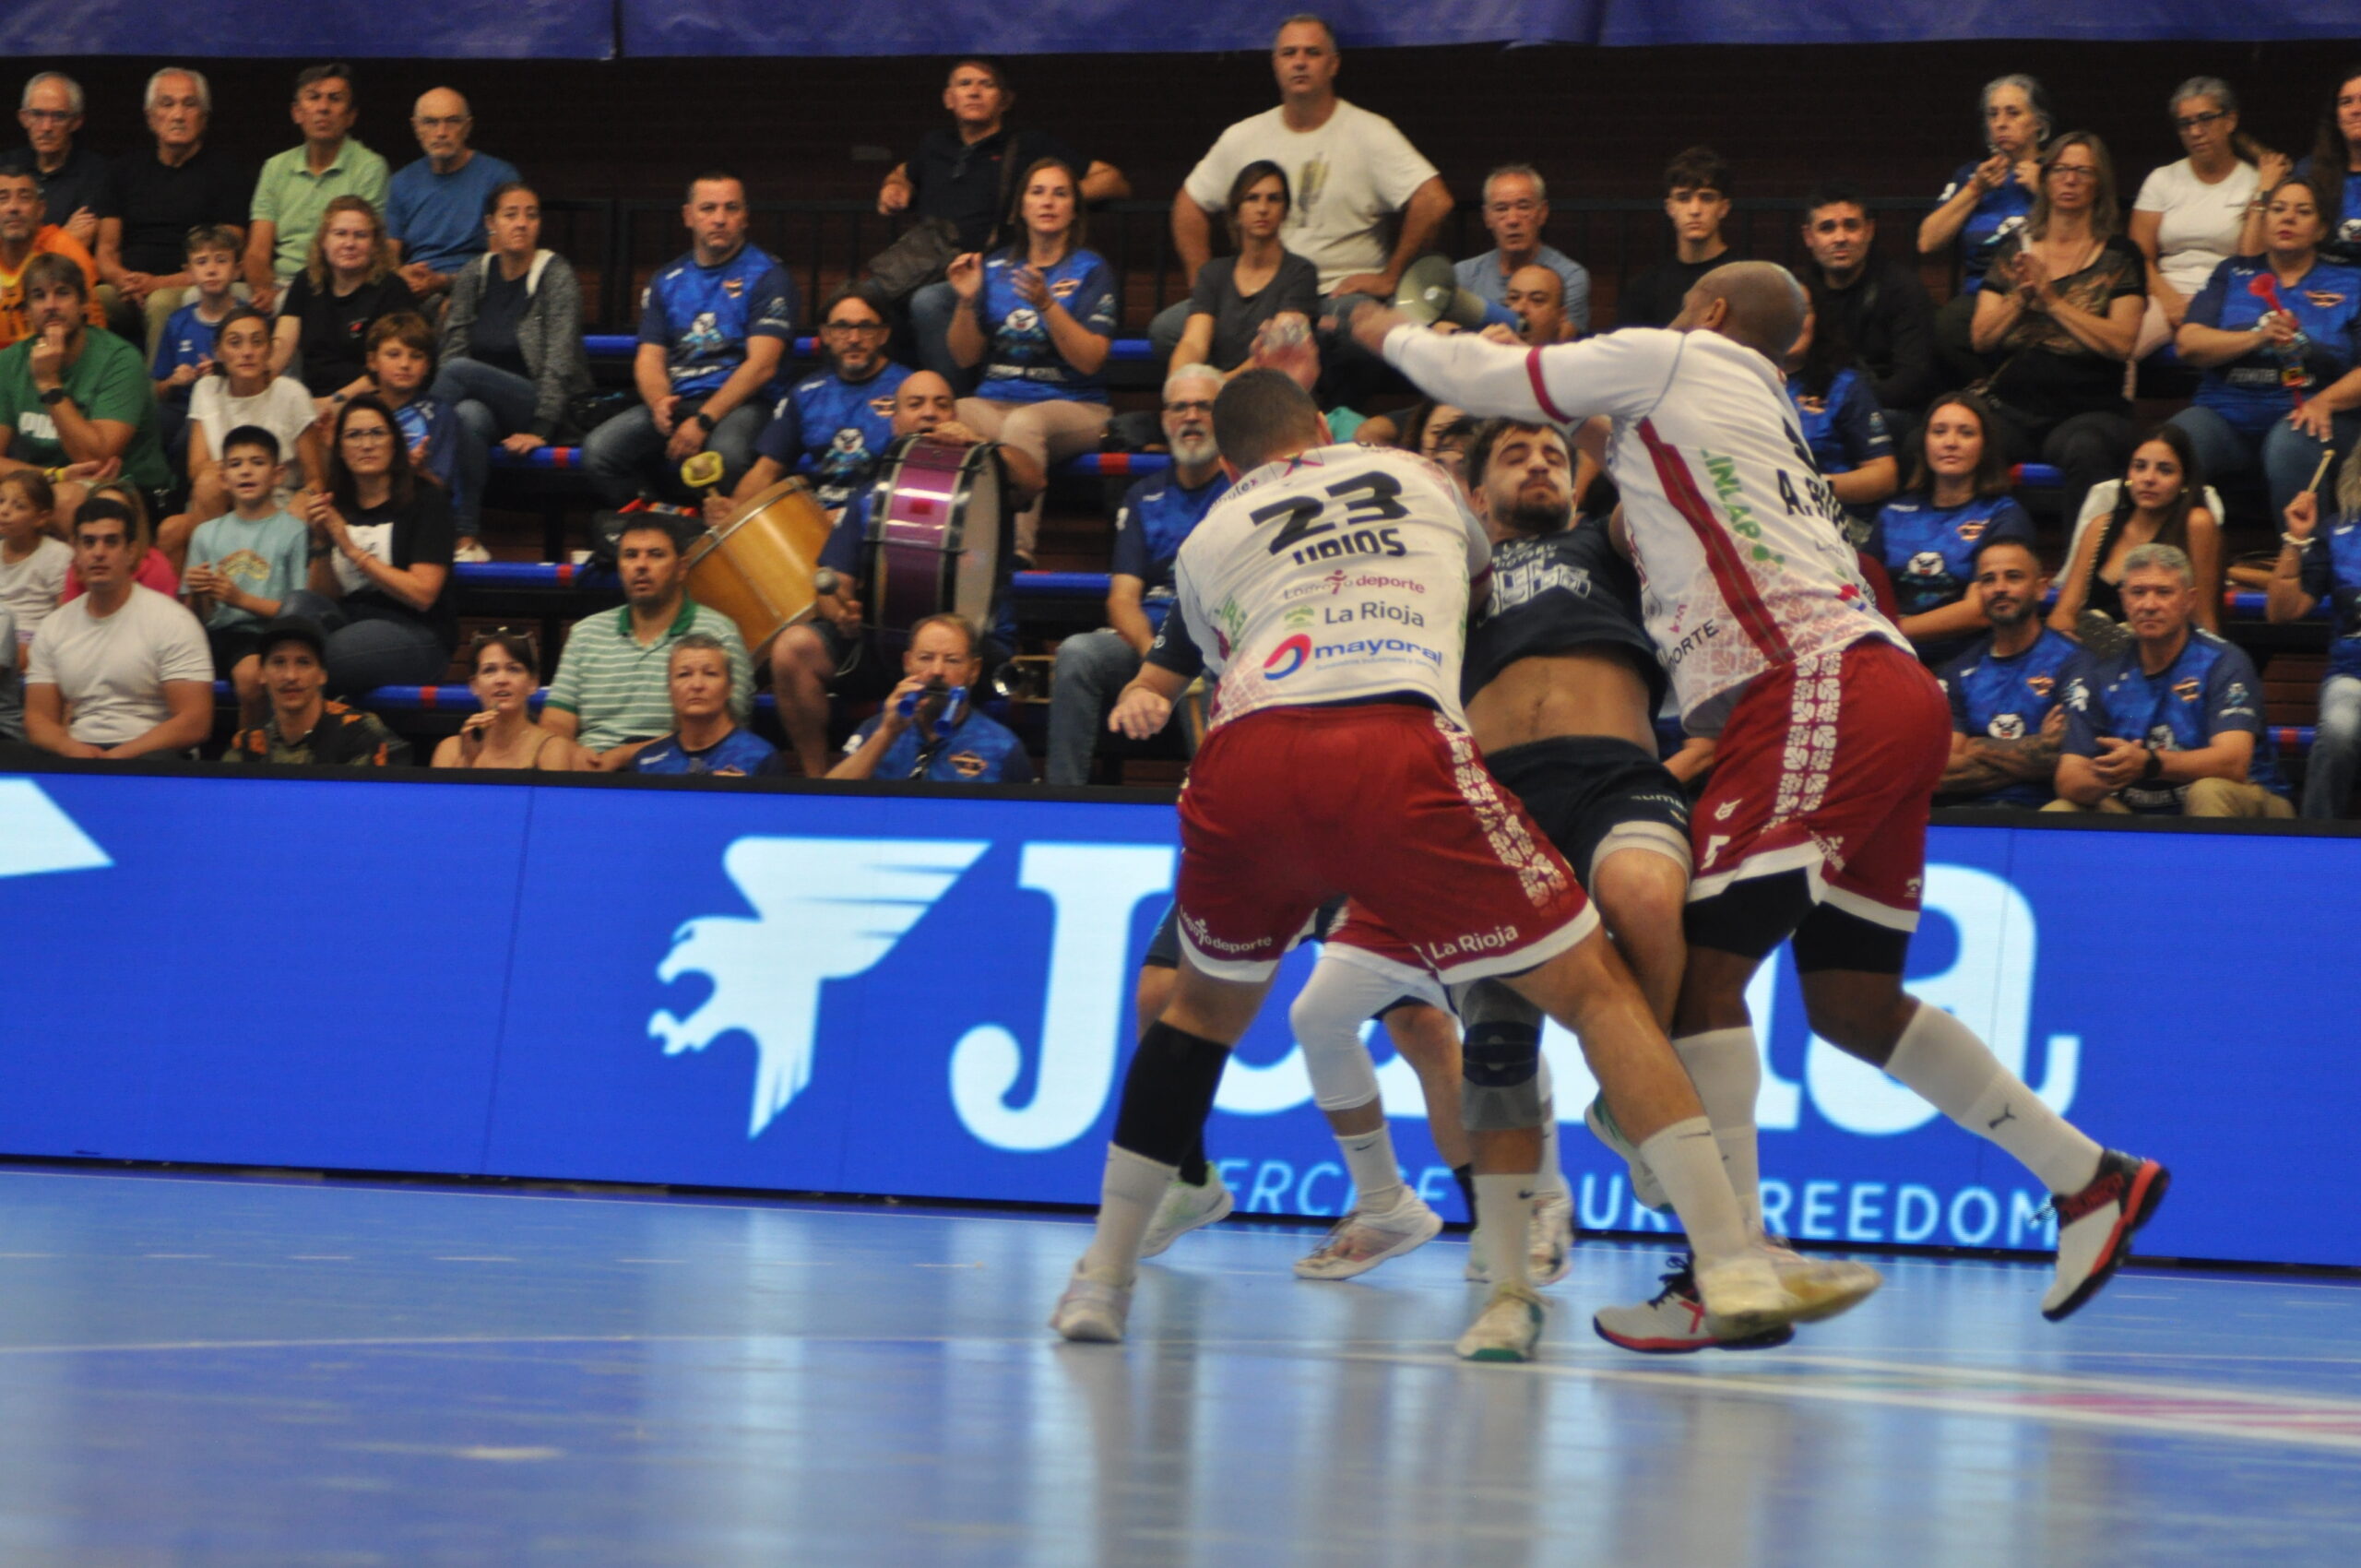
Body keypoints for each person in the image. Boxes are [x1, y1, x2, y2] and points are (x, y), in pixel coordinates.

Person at [1362, 259, 2167, 1348]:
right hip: (1877, 691)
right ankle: (2086, 1176)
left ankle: (1725, 1256)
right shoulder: (1750, 412)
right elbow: (1614, 461)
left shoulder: (1676, 356)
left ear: (1708, 313)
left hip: (1811, 683)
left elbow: (1480, 379)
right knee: (1852, 1003)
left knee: (1698, 969)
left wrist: (1376, 323)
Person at [1054, 369, 1867, 1360]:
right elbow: (1472, 592)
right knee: (1591, 993)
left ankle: (1101, 1278)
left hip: (1251, 757)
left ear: (1227, 465)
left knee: (1193, 1016)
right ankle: (1727, 1259)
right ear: (1324, 428)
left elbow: (1224, 656)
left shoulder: (1207, 532)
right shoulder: (1417, 477)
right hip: (1398, 750)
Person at [1311, 416, 1700, 1300]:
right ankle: (1507, 1263)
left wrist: (1596, 411)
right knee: (1492, 1032)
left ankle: (1634, 1106)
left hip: (1611, 778)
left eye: (1554, 456)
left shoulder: (1605, 544)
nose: (1539, 465)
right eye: (1516, 455)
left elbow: (1656, 492)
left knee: (1644, 895)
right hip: (1495, 801)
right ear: (1476, 492)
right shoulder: (1448, 575)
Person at [764, 369, 1041, 776]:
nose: (929, 413)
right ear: (895, 421)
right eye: (916, 404)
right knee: (793, 648)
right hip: (882, 645)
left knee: (969, 663)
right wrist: (840, 612)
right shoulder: (870, 493)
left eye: (941, 404)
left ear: (955, 415)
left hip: (969, 651)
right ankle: (817, 781)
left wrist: (981, 442)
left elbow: (1034, 479)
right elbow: (831, 585)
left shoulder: (990, 478)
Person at [1159, 16, 1449, 358]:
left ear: (1333, 64)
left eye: (1312, 52)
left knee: (1356, 327)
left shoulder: (1370, 132)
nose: (1299, 62)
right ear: (1275, 64)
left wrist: (1391, 277)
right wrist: (1204, 285)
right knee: (1166, 330)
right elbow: (1188, 205)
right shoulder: (1243, 136)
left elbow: (1433, 201)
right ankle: (1233, 389)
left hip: (1332, 296)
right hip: (1256, 295)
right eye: (1289, 53)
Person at [882, 58, 1125, 388]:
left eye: (986, 84)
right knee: (863, 301)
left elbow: (1112, 179)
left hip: (991, 272)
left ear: (1005, 100)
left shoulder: (1028, 145)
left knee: (929, 301)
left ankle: (949, 397)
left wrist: (1060, 197)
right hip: (925, 265)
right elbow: (903, 171)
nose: (974, 92)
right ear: (948, 98)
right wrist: (895, 185)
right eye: (965, 84)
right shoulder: (935, 144)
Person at [1045, 365, 1225, 785]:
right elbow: (1122, 598)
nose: (1191, 417)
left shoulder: (1244, 490)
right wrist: (1154, 655)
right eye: (1179, 407)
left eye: (1203, 406)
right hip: (1149, 642)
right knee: (1078, 653)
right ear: (1165, 420)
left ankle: (1216, 800)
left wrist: (1176, 659)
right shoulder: (1143, 495)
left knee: (1207, 667)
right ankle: (1061, 799)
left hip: (1213, 640)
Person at [585, 172, 794, 509]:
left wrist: (703, 421)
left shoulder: (769, 275)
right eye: (708, 208)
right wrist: (659, 403)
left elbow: (762, 366)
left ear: (745, 217)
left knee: (726, 456)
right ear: (688, 216)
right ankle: (664, 524)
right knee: (600, 451)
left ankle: (718, 535)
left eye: (731, 208)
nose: (720, 218)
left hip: (746, 404)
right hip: (680, 400)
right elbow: (649, 357)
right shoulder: (666, 279)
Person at [1970, 132, 2142, 524]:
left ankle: (2081, 558)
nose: (2070, 179)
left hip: (2089, 409)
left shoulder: (2120, 255)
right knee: (1955, 435)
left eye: (2083, 171)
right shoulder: (2015, 251)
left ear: (2099, 183)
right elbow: (1981, 338)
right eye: (2060, 169)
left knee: (2085, 448)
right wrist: (2020, 298)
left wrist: (2052, 302)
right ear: (2046, 178)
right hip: (2013, 405)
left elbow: (2122, 342)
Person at [947, 157, 1113, 559]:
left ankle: (1014, 553)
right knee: (940, 413)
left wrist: (1047, 305)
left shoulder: (1091, 269)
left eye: (1060, 193)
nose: (1048, 202)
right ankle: (942, 545)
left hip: (1075, 405)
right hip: (995, 403)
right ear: (1021, 207)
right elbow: (965, 356)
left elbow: (1091, 360)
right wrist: (967, 301)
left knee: (1024, 424)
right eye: (1037, 192)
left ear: (1074, 209)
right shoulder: (994, 267)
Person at [2049, 543, 2290, 817]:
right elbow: (2068, 777)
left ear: (2189, 600)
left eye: (2163, 592)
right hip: (2135, 808)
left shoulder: (2223, 661)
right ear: (2124, 599)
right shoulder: (2101, 671)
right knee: (2062, 810)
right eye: (2138, 593)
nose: (2149, 605)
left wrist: (2149, 763)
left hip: (2251, 803)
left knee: (2207, 792)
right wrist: (2115, 771)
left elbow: (2233, 763)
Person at [2171, 178, 2361, 519]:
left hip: (2312, 413)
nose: (2287, 218)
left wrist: (2325, 401)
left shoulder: (2352, 281)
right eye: (2278, 209)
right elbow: (2189, 342)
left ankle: (2301, 552)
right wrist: (2258, 337)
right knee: (2172, 445)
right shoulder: (2233, 273)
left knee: (2290, 444)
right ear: (2264, 220)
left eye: (2303, 211)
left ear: (2321, 229)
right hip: (2223, 414)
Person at [542, 516, 752, 771]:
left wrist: (624, 756)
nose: (641, 565)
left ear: (681, 568)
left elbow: (724, 730)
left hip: (679, 774)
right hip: (592, 770)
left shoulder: (720, 633)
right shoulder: (585, 633)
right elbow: (555, 722)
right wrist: (572, 754)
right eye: (630, 555)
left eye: (656, 555)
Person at [433, 181, 592, 513]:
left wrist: (541, 429)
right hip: (489, 407)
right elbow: (454, 344)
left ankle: (411, 449)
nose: (522, 223)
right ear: (491, 223)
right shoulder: (474, 274)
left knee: (458, 371)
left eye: (531, 215)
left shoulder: (555, 274)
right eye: (511, 215)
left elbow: (560, 360)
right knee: (468, 416)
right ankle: (466, 531)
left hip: (543, 407)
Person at [22, 495, 210, 759]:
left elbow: (194, 721)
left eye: (111, 541)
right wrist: (71, 749)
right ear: (75, 550)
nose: (99, 552)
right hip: (80, 751)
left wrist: (118, 758)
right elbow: (37, 719)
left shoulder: (173, 621)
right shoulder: (54, 626)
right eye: (89, 542)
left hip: (151, 754)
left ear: (131, 552)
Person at [297, 394, 457, 694]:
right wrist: (321, 542)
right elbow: (325, 596)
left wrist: (351, 549)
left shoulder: (426, 501)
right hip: (348, 621)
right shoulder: (335, 503)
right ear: (340, 449)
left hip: (417, 632)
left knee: (322, 658)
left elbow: (423, 594)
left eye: (377, 433)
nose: (366, 444)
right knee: (297, 611)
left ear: (394, 443)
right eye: (354, 435)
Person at [1866, 391, 2036, 666]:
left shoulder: (2003, 515)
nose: (1951, 443)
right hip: (1891, 657)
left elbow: (1980, 610)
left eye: (1966, 433)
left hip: (1968, 662)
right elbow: (1861, 589)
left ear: (1985, 447)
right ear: (1924, 443)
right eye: (1939, 432)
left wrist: (1887, 630)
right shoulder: (1893, 513)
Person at [718, 281, 909, 517]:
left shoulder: (910, 389)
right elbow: (766, 471)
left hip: (882, 521)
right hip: (816, 523)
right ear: (826, 335)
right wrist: (731, 514)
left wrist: (850, 517)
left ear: (883, 335)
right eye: (842, 327)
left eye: (866, 327)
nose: (854, 338)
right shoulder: (806, 393)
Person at [95, 68, 250, 356]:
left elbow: (226, 258)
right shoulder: (122, 170)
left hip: (192, 287)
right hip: (129, 288)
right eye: (167, 104)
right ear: (150, 116)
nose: (178, 115)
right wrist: (123, 279)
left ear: (204, 117)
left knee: (161, 303)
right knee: (89, 300)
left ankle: (159, 385)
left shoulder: (228, 173)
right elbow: (105, 250)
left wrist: (157, 284)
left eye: (189, 105)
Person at [0, 254, 172, 508]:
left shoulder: (120, 360)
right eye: (39, 296)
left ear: (84, 304)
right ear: (26, 313)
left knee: (68, 499)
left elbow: (93, 458)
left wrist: (49, 383)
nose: (50, 306)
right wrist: (54, 476)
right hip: (46, 487)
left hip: (130, 491)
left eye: (62, 293)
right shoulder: (9, 362)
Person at [161, 304, 321, 569]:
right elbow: (196, 468)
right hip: (223, 499)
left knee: (209, 485)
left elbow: (316, 477)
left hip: (276, 501)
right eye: (235, 343)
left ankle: (221, 579)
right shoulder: (207, 388)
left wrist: (305, 496)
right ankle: (207, 586)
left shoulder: (291, 393)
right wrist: (238, 477)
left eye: (257, 342)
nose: (247, 352)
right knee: (171, 530)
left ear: (269, 349)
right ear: (218, 351)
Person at [2130, 78, 2273, 365]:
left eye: (2206, 119)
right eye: (2185, 124)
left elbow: (2252, 260)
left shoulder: (2254, 182)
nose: (2195, 131)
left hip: (2228, 293)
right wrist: (2169, 299)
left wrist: (2263, 192)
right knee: (2122, 348)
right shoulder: (2162, 179)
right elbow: (2138, 257)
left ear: (2230, 120)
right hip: (2166, 292)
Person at [1920, 72, 2051, 385]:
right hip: (1979, 294)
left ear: (2038, 123)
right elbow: (1927, 241)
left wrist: (2044, 190)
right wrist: (1975, 190)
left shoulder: (2058, 172)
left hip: (2043, 288)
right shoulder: (1972, 175)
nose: (2001, 123)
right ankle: (1989, 392)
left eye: (2013, 113)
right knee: (1942, 328)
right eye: (1993, 115)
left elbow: (2093, 230)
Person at [1936, 536, 2080, 808]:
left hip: (2045, 813)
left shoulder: (2074, 661)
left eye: (2013, 577)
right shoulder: (1957, 671)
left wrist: (1973, 746)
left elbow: (2060, 757)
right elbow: (1939, 772)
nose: (2000, 588)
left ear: (2041, 589)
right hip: (1966, 815)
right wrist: (2033, 749)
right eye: (1988, 580)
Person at [181, 424, 311, 714]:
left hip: (266, 634)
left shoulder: (294, 531)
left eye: (257, 462)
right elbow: (200, 616)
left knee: (250, 676)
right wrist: (201, 594)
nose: (246, 472)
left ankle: (250, 743)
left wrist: (241, 599)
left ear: (277, 475)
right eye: (236, 464)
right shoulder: (205, 533)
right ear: (223, 478)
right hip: (213, 635)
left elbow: (299, 612)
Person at [2048, 424, 2221, 639]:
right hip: (2095, 652)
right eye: (2140, 467)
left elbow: (2203, 620)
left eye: (2165, 470)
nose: (2148, 478)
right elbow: (2064, 612)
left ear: (2184, 480)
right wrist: (2065, 637)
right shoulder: (2100, 526)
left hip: (2166, 652)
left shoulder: (2196, 523)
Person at [244, 65, 388, 315]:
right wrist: (263, 291)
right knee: (198, 297)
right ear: (297, 112)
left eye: (335, 98)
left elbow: (366, 251)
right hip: (275, 285)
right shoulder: (275, 167)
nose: (323, 107)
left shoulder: (370, 168)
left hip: (337, 286)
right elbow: (257, 252)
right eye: (313, 97)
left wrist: (291, 296)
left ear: (351, 116)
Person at [827, 612, 1029, 782]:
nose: (937, 670)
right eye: (926, 658)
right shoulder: (873, 731)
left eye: (952, 660)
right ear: (907, 663)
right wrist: (887, 734)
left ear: (974, 671)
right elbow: (829, 802)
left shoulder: (1002, 747)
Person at [1798, 181, 1938, 424]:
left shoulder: (1903, 289)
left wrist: (1838, 407)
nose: (1840, 238)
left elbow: (1912, 381)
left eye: (1851, 226)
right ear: (1809, 237)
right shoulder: (1800, 292)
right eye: (1827, 228)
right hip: (1819, 408)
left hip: (1889, 411)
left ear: (1869, 230)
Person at [1169, 161, 1321, 380]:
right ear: (1236, 211)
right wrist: (1181, 381)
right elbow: (1193, 343)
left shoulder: (1301, 272)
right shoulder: (1213, 274)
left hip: (1274, 391)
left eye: (1273, 199)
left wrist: (1217, 385)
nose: (1263, 208)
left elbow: (1276, 352)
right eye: (1252, 198)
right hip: (1217, 389)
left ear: (1285, 211)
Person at [270, 195, 419, 414]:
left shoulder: (393, 289)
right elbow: (281, 347)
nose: (349, 244)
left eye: (360, 235)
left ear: (375, 245)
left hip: (371, 403)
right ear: (323, 241)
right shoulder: (306, 282)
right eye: (340, 234)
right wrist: (258, 385)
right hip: (312, 400)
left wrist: (334, 402)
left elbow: (392, 367)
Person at [2269, 473, 2361, 815]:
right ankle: (2317, 832)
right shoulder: (2337, 531)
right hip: (2353, 676)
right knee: (2338, 728)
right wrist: (2295, 539)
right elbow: (2281, 611)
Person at [385, 89, 519, 302]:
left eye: (452, 121)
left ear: (468, 127)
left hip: (480, 290)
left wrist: (445, 282)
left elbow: (502, 261)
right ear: (416, 127)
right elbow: (388, 254)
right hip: (416, 290)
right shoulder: (401, 182)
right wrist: (401, 274)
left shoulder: (498, 177)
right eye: (430, 122)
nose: (441, 132)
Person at [222, 616, 409, 766]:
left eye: (303, 663)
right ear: (262, 674)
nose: (290, 676)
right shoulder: (247, 743)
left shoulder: (358, 733)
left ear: (322, 675)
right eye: (279, 662)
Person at [359, 313, 466, 549]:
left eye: (416, 356)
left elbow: (442, 487)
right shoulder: (359, 412)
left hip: (420, 518)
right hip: (366, 515)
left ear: (427, 366)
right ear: (372, 361)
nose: (405, 364)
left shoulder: (440, 414)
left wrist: (418, 471)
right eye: (393, 354)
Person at [1784, 306, 1897, 520]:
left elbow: (1884, 477)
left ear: (1817, 320)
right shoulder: (1741, 385)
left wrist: (1811, 486)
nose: (1791, 319)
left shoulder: (1845, 386)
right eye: (1780, 310)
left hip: (1834, 520)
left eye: (1803, 310)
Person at [2249, 65, 2361, 268]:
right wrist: (2265, 191)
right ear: (2336, 116)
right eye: (2346, 102)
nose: (2356, 110)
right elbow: (2251, 258)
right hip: (2320, 282)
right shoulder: (2309, 171)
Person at [1455, 164, 1590, 332]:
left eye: (1524, 207)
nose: (1513, 220)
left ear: (1542, 213)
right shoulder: (1464, 274)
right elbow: (1438, 326)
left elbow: (1562, 341)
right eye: (1501, 209)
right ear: (1487, 217)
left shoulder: (1569, 276)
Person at [148, 226, 242, 464]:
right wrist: (173, 381)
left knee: (189, 437)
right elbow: (157, 388)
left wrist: (225, 371)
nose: (212, 269)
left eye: (221, 260)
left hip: (234, 406)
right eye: (201, 262)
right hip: (184, 406)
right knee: (147, 421)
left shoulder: (248, 319)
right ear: (189, 272)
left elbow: (267, 377)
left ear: (237, 270)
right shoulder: (177, 322)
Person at [1618, 148, 1734, 330]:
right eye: (1684, 198)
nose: (1695, 210)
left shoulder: (1748, 281)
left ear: (1724, 208)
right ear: (1670, 207)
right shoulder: (1644, 288)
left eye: (1707, 198)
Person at [430, 630, 579, 770]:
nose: (501, 680)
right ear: (474, 685)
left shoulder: (554, 749)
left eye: (513, 669)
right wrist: (468, 761)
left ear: (533, 683)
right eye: (490, 670)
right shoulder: (449, 750)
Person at [635, 633, 777, 777]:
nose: (697, 685)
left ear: (730, 687)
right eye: (684, 674)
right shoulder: (646, 762)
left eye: (710, 673)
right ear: (669, 688)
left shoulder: (760, 757)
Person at [0, 167, 104, 347]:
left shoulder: (65, 250)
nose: (13, 207)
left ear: (41, 209)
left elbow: (92, 330)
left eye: (24, 198)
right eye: (3, 199)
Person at [4, 74, 102, 258]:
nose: (47, 127)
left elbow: (81, 240)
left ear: (76, 122)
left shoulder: (97, 174)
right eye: (37, 114)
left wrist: (21, 245)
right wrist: (62, 238)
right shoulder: (5, 167)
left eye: (59, 116)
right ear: (24, 118)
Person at [0, 469, 66, 659]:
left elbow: (65, 615)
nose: (4, 510)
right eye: (1, 500)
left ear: (41, 518)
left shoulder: (56, 554)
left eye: (19, 506)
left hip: (32, 638)